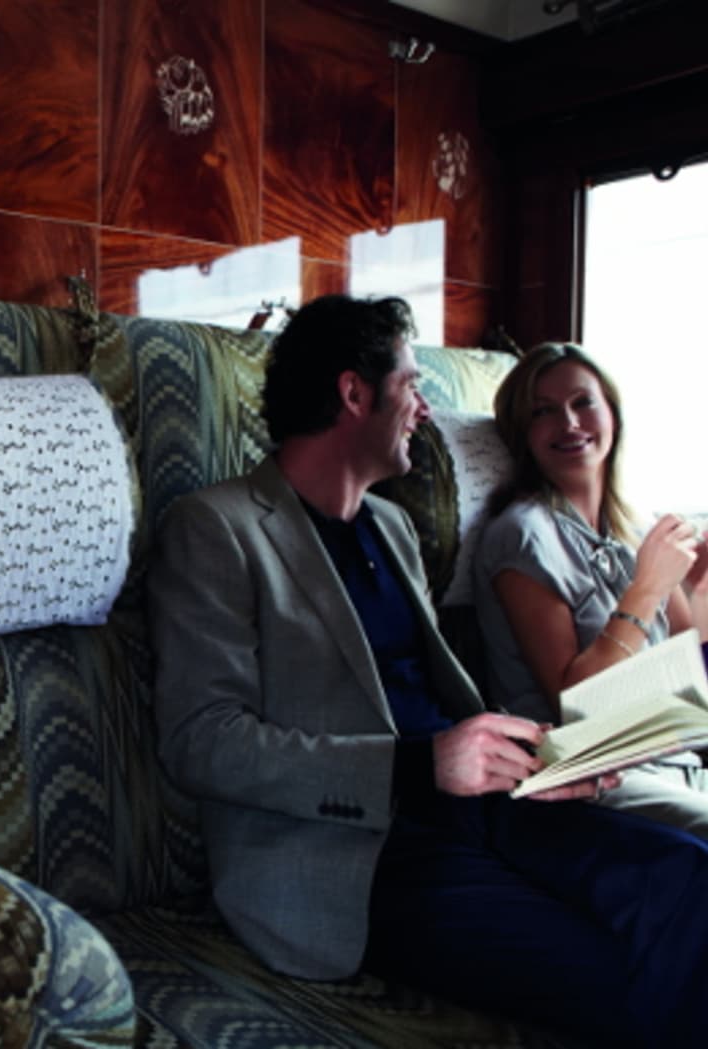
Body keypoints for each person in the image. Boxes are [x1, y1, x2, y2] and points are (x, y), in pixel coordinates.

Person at [149, 294, 708, 1045]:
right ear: (354, 392)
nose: (424, 409)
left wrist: (536, 754)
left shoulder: (393, 525)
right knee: (614, 970)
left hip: (490, 809)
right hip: (359, 857)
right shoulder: (219, 527)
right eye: (413, 384)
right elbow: (202, 742)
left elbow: (444, 701)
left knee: (692, 882)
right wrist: (417, 767)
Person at [473, 342, 708, 838]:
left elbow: (689, 672)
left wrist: (701, 588)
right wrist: (646, 589)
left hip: (676, 758)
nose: (570, 423)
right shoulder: (522, 535)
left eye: (583, 403)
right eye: (544, 412)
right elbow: (578, 705)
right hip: (593, 774)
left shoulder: (638, 529)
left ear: (612, 414)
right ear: (523, 434)